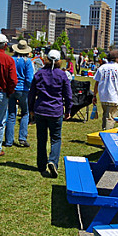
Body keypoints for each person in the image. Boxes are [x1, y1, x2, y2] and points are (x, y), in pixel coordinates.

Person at [28, 50, 72, 178]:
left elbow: (32, 93)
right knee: (56, 138)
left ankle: (41, 165)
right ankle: (53, 161)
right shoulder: (62, 75)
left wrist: (31, 109)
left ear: (46, 59)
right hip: (55, 111)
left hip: (41, 110)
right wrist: (68, 110)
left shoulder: (39, 74)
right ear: (59, 61)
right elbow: (68, 95)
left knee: (41, 138)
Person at [6, 40, 34, 148]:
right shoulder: (28, 61)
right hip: (23, 90)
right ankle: (22, 138)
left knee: (11, 114)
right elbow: (29, 78)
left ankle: (9, 140)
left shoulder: (11, 60)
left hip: (12, 89)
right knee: (25, 113)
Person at [92, 50, 118, 129]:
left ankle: (104, 132)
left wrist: (94, 95)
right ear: (116, 58)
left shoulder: (102, 68)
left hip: (103, 97)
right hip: (113, 97)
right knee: (110, 119)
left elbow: (97, 83)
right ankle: (106, 134)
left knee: (106, 116)